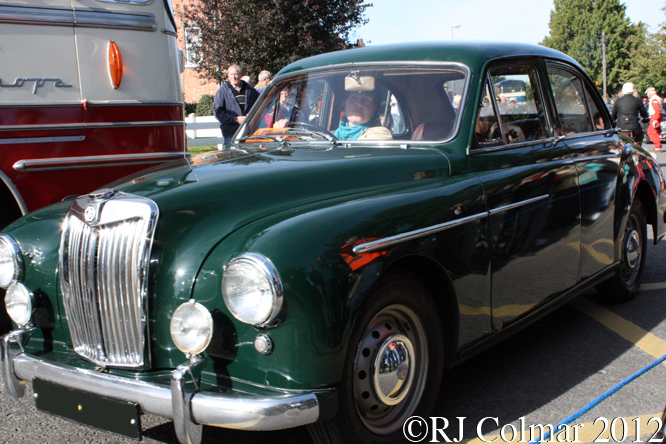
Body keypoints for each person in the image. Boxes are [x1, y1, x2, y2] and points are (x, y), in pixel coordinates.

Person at [213, 64, 260, 147]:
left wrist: (252, 115)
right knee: (233, 156)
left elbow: (260, 106)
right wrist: (236, 120)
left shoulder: (250, 90)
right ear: (228, 75)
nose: (233, 77)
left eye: (236, 74)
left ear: (241, 75)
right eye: (231, 74)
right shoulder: (222, 92)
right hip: (231, 133)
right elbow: (218, 113)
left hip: (249, 132)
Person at [646, 87, 663, 151]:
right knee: (651, 132)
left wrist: (655, 119)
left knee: (653, 132)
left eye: (648, 93)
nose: (647, 95)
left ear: (650, 93)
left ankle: (657, 147)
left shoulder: (654, 99)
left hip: (655, 117)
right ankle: (657, 145)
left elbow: (657, 110)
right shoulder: (656, 98)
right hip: (655, 116)